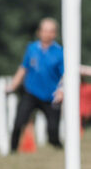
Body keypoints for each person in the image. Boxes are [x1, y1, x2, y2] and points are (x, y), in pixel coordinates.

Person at [7, 17, 64, 151]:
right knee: (19, 122)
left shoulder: (60, 52)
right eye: (44, 30)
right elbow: (23, 68)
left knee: (53, 130)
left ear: (55, 34)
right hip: (31, 92)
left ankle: (58, 148)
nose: (47, 34)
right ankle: (12, 150)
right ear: (39, 32)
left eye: (50, 31)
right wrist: (12, 86)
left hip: (51, 96)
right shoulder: (31, 48)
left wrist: (62, 91)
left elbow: (65, 75)